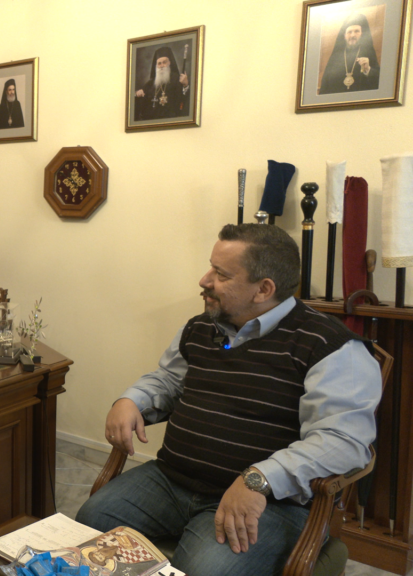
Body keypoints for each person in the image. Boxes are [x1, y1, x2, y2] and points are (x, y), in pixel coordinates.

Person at [76, 224, 381, 576]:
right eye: (211, 267)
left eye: (221, 274)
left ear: (263, 289)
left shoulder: (330, 347)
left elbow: (343, 441)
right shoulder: (202, 326)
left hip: (268, 502)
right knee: (91, 522)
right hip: (172, 480)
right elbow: (169, 381)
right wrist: (131, 400)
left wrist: (259, 478)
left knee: (203, 569)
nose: (204, 280)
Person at [319, 12, 380, 94]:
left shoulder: (368, 53)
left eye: (357, 31)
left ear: (362, 34)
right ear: (344, 35)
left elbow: (379, 83)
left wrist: (368, 69)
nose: (352, 35)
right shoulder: (336, 56)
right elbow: (325, 84)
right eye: (349, 32)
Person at [133, 46, 189, 121]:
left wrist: (185, 85)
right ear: (156, 66)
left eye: (164, 62)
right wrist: (137, 94)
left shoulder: (177, 79)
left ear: (169, 63)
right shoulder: (151, 82)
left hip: (170, 120)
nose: (162, 65)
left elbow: (182, 101)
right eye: (159, 63)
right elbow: (140, 97)